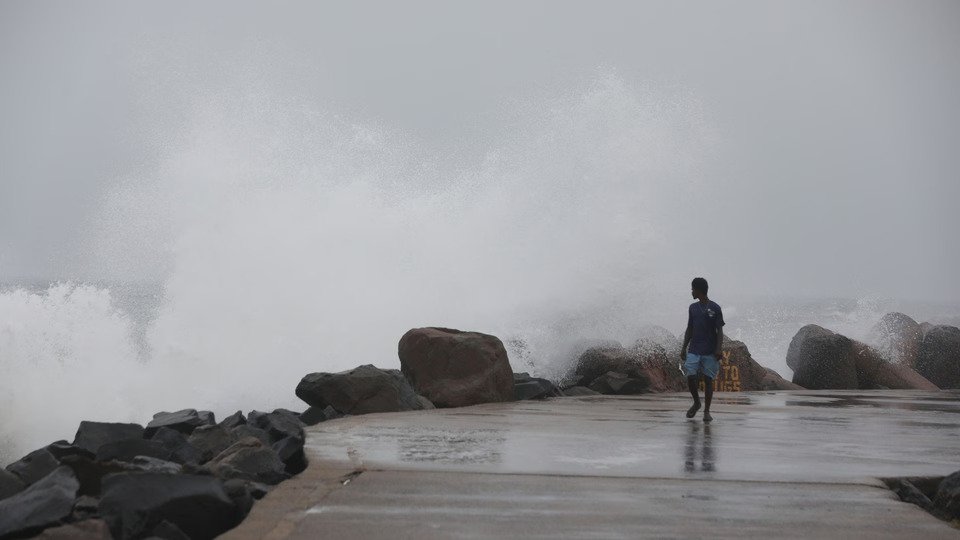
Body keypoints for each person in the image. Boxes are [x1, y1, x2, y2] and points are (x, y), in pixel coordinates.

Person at [680, 277, 724, 422]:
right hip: (694, 348)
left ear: (698, 290)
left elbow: (719, 330)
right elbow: (690, 328)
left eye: (692, 289)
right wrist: (684, 347)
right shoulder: (692, 308)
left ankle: (707, 411)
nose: (691, 292)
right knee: (690, 375)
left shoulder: (715, 308)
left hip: (710, 350)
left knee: (708, 380)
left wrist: (718, 349)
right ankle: (697, 402)